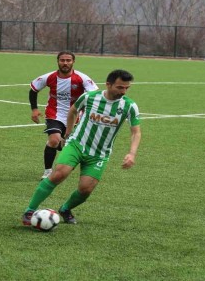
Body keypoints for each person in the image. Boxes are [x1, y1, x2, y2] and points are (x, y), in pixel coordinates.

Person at [22, 69, 142, 225]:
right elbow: (72, 111)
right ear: (108, 84)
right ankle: (30, 211)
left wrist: (132, 154)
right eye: (120, 87)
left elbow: (136, 132)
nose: (123, 91)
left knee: (86, 189)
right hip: (77, 144)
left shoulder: (129, 106)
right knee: (59, 174)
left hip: (99, 154)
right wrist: (68, 135)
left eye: (127, 88)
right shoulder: (89, 97)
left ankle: (65, 209)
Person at [29, 52, 98, 179]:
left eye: (68, 60)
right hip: (54, 113)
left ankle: (63, 142)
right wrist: (34, 109)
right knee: (54, 140)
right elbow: (33, 89)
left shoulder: (82, 78)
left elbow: (94, 95)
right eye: (62, 60)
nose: (65, 63)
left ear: (73, 62)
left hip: (75, 116)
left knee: (66, 143)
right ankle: (48, 171)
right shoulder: (49, 77)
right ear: (58, 61)